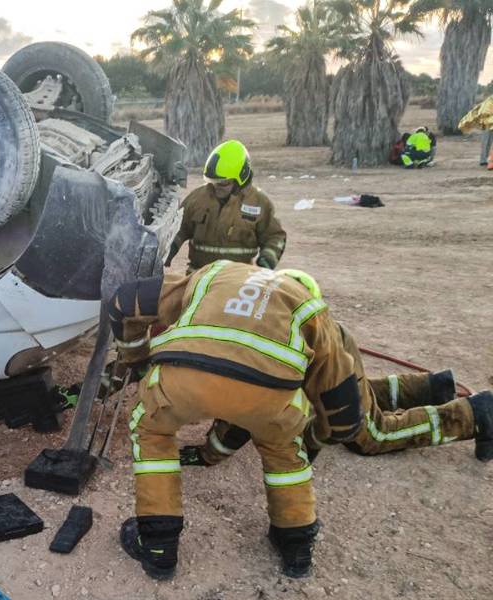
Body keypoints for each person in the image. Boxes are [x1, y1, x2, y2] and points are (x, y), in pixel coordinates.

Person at [106, 260, 493, 579]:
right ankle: (295, 547)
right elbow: (341, 417)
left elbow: (125, 300)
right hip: (271, 398)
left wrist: (136, 360)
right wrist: (310, 442)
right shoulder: (311, 311)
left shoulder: (214, 273)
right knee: (284, 453)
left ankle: (158, 548)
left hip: (181, 379)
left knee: (153, 432)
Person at [165, 140, 286, 274]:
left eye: (223, 183)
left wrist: (267, 260)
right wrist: (168, 251)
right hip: (198, 276)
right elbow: (177, 229)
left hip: (238, 279)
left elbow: (275, 237)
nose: (217, 188)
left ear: (241, 177)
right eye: (213, 182)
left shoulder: (259, 203)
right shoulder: (197, 198)